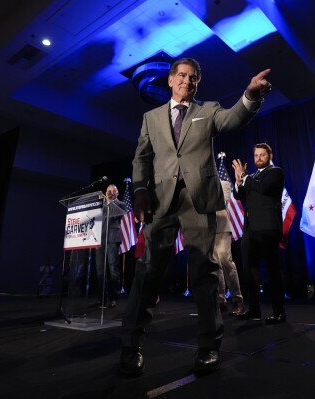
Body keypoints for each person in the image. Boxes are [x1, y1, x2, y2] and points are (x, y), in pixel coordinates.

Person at [119, 57, 272, 376]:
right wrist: (140, 190)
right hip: (160, 202)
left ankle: (208, 347)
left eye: (194, 78)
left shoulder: (209, 110)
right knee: (147, 272)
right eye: (183, 76)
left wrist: (250, 95)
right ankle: (131, 346)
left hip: (200, 201)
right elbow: (141, 158)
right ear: (171, 80)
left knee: (205, 271)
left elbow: (233, 119)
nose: (188, 81)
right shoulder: (151, 118)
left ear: (197, 84)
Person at [231, 143, 286, 324]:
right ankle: (254, 310)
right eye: (256, 155)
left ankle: (279, 312)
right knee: (249, 271)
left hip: (268, 229)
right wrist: (239, 181)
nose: (258, 158)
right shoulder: (252, 177)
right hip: (250, 230)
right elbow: (239, 195)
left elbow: (263, 188)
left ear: (270, 155)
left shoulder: (276, 172)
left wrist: (244, 177)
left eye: (262, 155)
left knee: (272, 271)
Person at [93, 184, 127, 308]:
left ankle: (113, 297)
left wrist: (107, 201)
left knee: (113, 269)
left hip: (112, 239)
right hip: (100, 239)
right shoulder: (101, 205)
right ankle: (101, 298)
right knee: (100, 270)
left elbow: (115, 214)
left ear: (117, 193)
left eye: (113, 191)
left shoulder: (121, 204)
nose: (111, 193)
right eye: (108, 191)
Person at [214, 180, 244, 315]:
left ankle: (238, 300)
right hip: (206, 230)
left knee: (226, 261)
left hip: (221, 228)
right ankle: (221, 301)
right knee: (215, 266)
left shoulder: (224, 184)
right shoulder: (199, 184)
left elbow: (222, 202)